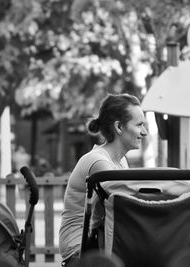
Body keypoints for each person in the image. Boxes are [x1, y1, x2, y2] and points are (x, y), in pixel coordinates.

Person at [59, 93, 148, 267]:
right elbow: (126, 209)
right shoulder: (99, 162)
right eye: (139, 125)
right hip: (81, 249)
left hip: (99, 240)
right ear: (119, 127)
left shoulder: (121, 161)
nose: (144, 132)